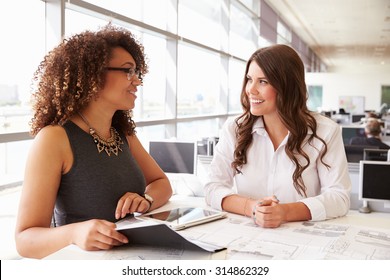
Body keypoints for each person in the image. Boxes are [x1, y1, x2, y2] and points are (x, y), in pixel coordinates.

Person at [15, 24, 172, 259]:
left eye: (137, 73)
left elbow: (162, 183)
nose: (137, 82)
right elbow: (25, 240)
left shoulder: (123, 133)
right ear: (93, 76)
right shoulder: (54, 138)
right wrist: (74, 233)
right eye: (128, 71)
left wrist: (146, 200)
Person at [204, 44, 351, 228]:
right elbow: (212, 188)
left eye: (263, 81)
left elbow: (339, 197)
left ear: (286, 86)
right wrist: (252, 207)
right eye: (249, 79)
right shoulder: (235, 129)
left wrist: (284, 212)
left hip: (300, 240)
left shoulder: (325, 131)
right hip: (247, 235)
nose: (251, 89)